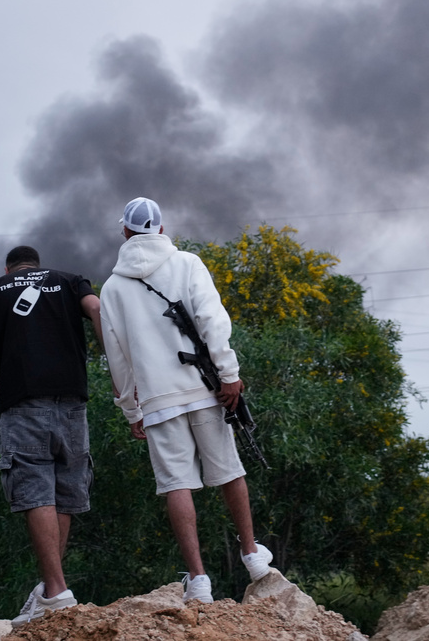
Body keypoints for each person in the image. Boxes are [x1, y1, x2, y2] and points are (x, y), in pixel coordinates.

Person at [99, 196, 273, 604]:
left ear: (124, 231)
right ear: (160, 229)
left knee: (177, 484)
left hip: (158, 401)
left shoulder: (111, 288)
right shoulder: (188, 263)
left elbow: (117, 357)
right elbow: (214, 321)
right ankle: (252, 557)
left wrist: (130, 409)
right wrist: (229, 375)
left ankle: (198, 581)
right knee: (229, 469)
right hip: (204, 387)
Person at [0, 245, 102, 627]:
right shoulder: (69, 280)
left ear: (8, 267)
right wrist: (117, 363)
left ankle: (57, 590)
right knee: (65, 489)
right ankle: (50, 591)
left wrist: (7, 373)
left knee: (36, 490)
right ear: (37, 264)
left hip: (24, 402)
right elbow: (96, 309)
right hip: (73, 400)